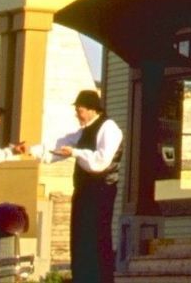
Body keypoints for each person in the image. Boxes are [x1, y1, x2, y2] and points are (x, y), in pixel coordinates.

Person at [51, 89, 121, 283]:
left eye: (79, 109)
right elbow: (60, 146)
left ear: (92, 110)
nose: (77, 114)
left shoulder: (109, 128)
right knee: (80, 241)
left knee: (96, 240)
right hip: (84, 192)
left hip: (101, 192)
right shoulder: (84, 131)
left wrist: (75, 153)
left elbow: (100, 162)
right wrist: (34, 152)